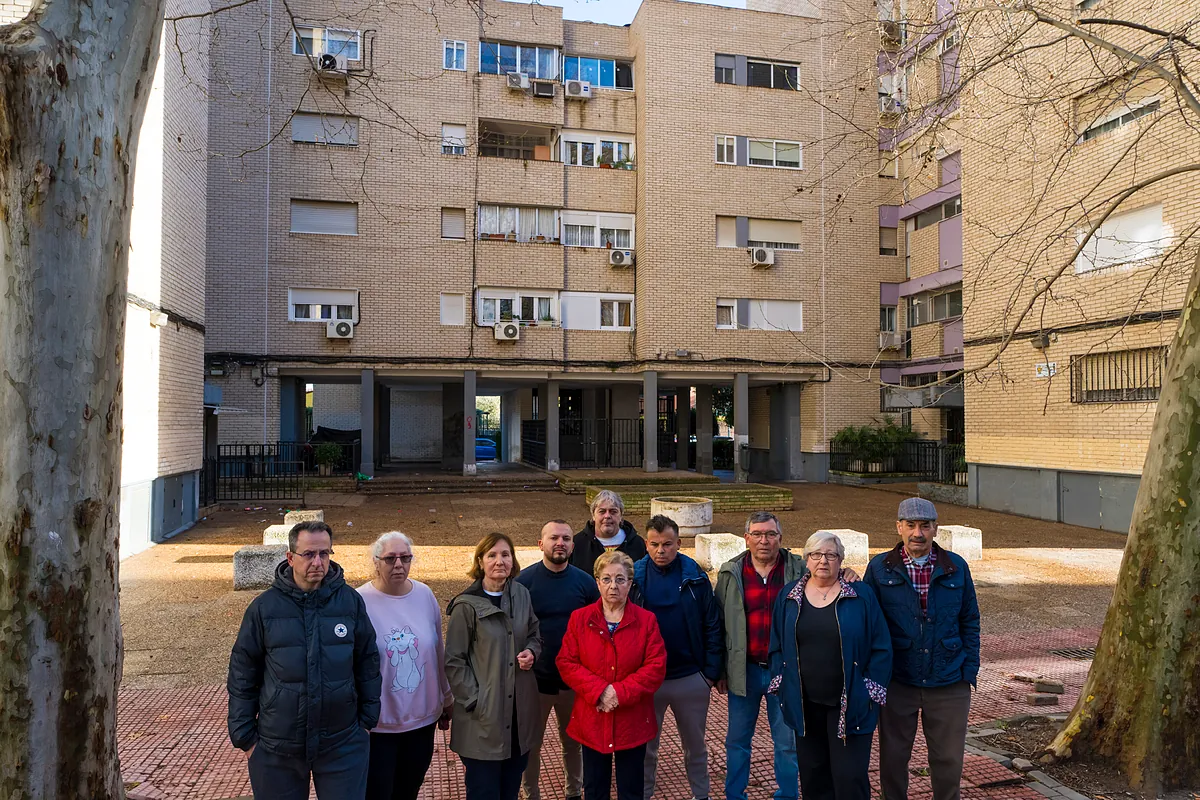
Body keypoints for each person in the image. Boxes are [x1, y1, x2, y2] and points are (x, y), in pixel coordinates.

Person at [228, 521, 381, 800]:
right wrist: (245, 737)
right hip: (277, 747)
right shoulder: (264, 608)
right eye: (309, 554)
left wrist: (367, 722)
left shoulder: (350, 602)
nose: (318, 562)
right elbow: (243, 672)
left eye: (324, 553)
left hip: (342, 743)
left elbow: (367, 661)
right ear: (290, 558)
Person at [715, 513, 862, 800]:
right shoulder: (730, 572)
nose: (764, 540)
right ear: (747, 538)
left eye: (770, 534)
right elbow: (720, 623)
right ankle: (735, 795)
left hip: (785, 671)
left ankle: (787, 795)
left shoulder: (798, 568)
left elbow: (827, 573)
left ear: (780, 538)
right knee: (736, 741)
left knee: (786, 741)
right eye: (757, 534)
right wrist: (720, 669)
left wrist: (848, 572)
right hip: (743, 670)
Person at [864, 498, 980, 800]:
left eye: (925, 526)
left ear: (935, 529)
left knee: (949, 760)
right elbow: (868, 623)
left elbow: (970, 620)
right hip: (898, 680)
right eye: (911, 525)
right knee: (892, 759)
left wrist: (970, 669)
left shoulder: (956, 567)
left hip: (949, 679)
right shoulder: (879, 568)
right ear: (899, 527)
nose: (918, 533)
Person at [769, 531, 892, 800]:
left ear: (841, 560)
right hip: (805, 705)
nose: (823, 560)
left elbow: (882, 646)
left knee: (850, 777)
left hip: (850, 704)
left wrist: (870, 690)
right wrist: (780, 682)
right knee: (813, 776)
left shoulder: (860, 595)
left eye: (831, 555)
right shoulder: (789, 596)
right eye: (816, 554)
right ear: (806, 560)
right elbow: (777, 644)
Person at [557, 551, 667, 800]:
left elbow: (655, 666)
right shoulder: (580, 619)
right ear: (597, 582)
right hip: (592, 718)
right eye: (606, 579)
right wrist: (600, 691)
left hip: (633, 720)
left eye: (620, 579)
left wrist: (618, 692)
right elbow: (566, 662)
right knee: (595, 788)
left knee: (631, 789)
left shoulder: (646, 621)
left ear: (630, 583)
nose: (613, 586)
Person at [445, 533, 543, 800]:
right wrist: (478, 700)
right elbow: (454, 661)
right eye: (492, 555)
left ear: (513, 560)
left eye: (505, 554)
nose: (499, 561)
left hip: (518, 717)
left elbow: (535, 633)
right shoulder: (466, 606)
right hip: (482, 721)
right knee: (484, 791)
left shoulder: (522, 594)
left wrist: (531, 652)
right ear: (480, 561)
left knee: (510, 789)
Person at [633, 515, 723, 800]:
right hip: (648, 680)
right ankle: (643, 794)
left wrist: (708, 673)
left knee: (695, 746)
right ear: (646, 544)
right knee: (646, 747)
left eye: (668, 544)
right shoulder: (634, 576)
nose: (661, 550)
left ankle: (701, 795)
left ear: (679, 544)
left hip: (690, 677)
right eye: (655, 544)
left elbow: (712, 623)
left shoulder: (695, 575)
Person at [358, 531, 453, 800]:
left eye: (405, 557)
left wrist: (447, 698)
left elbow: (437, 649)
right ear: (376, 562)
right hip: (378, 724)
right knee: (377, 791)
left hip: (421, 720)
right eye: (390, 558)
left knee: (408, 790)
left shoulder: (424, 595)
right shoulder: (359, 601)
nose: (398, 564)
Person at [516, 520, 601, 800]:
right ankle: (531, 793)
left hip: (574, 683)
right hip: (534, 682)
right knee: (530, 744)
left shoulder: (586, 583)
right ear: (541, 544)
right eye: (553, 538)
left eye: (566, 538)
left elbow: (596, 629)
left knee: (573, 743)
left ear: (573, 546)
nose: (560, 543)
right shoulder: (523, 583)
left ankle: (574, 792)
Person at [570, 490, 646, 572]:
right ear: (593, 515)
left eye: (613, 512)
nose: (607, 516)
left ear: (621, 515)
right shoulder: (578, 544)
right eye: (602, 511)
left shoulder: (638, 544)